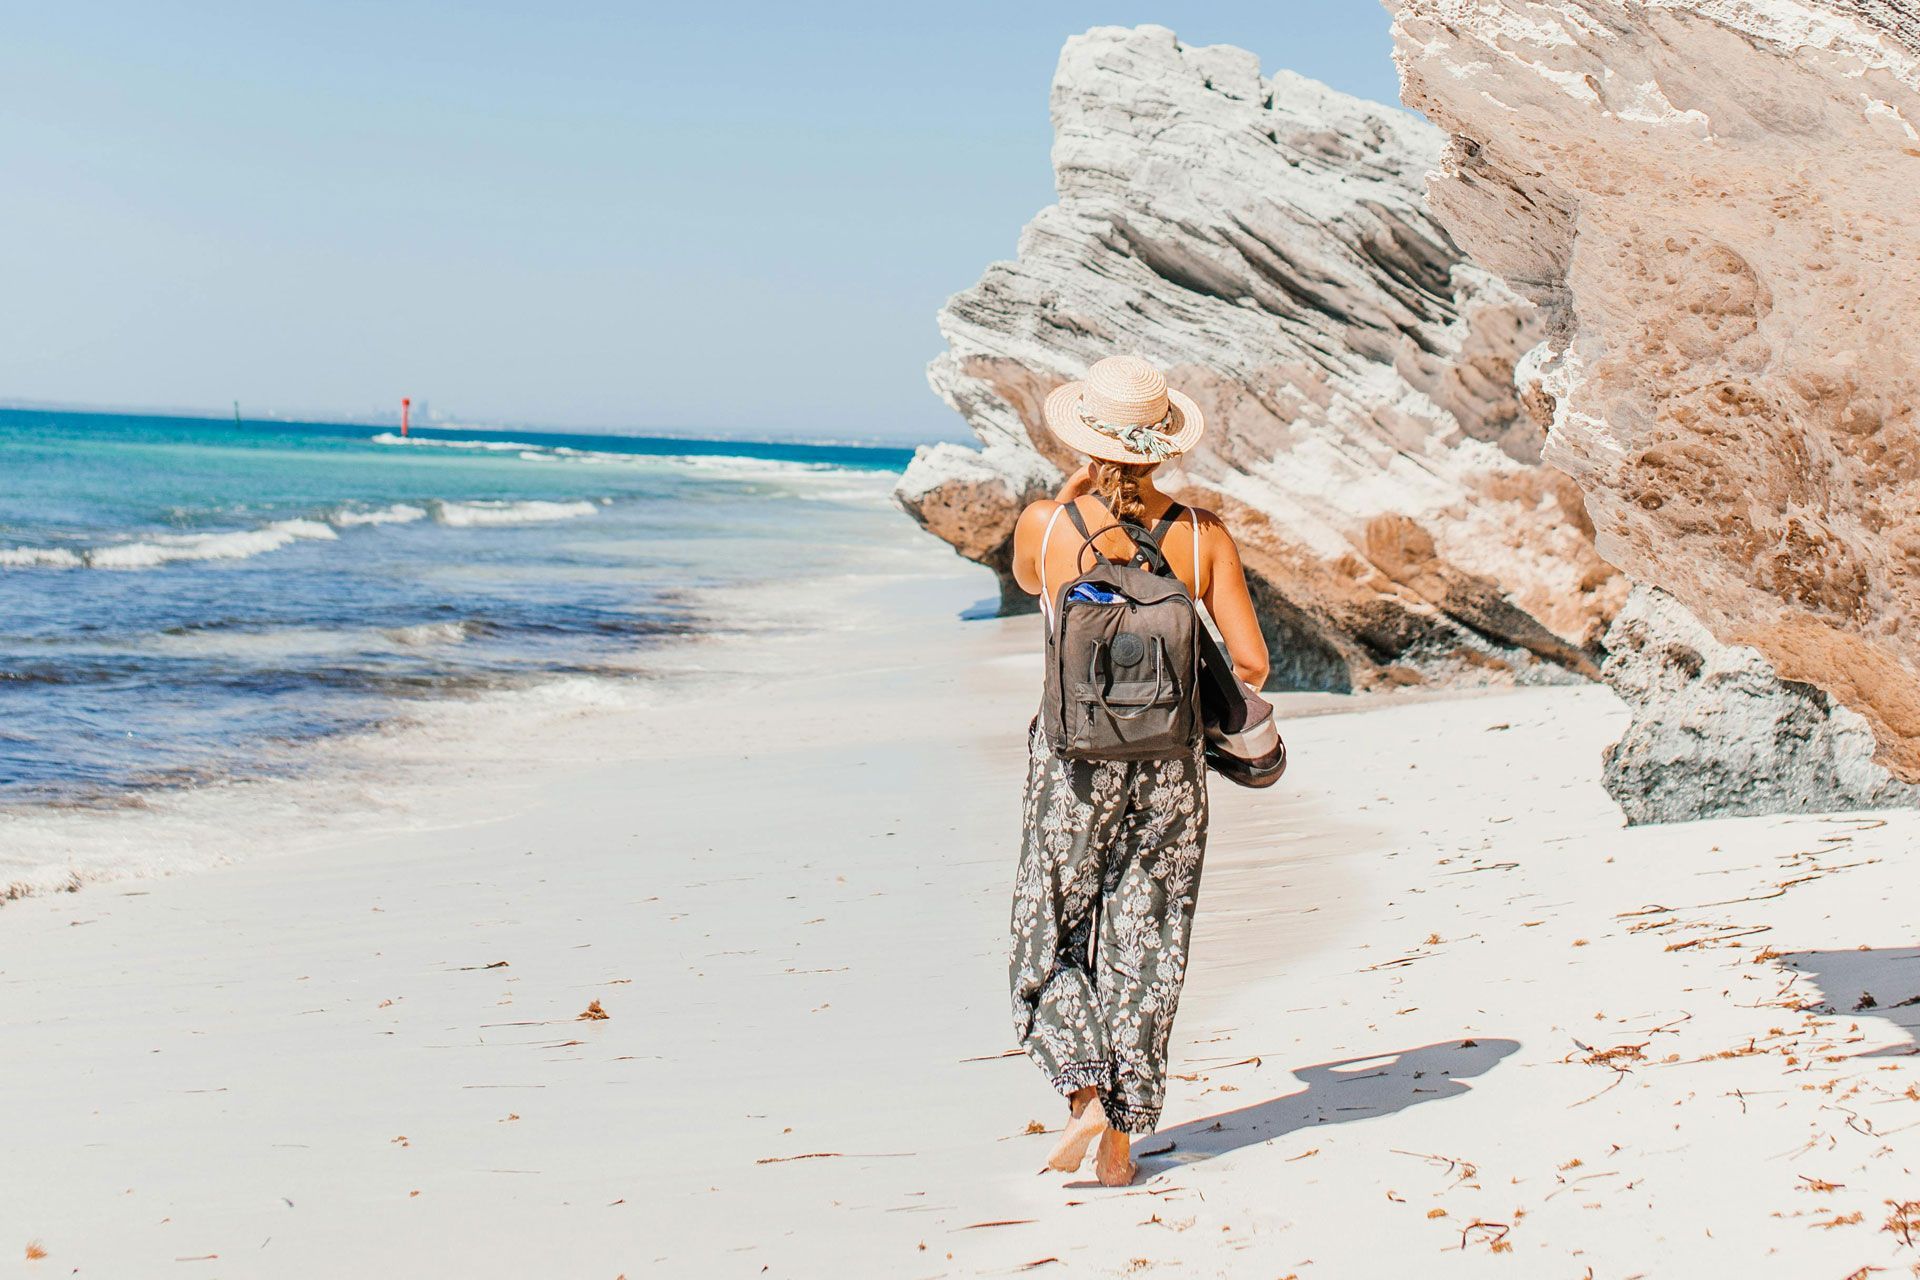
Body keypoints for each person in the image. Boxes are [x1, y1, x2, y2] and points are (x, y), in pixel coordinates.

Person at [1006, 355, 1270, 1186]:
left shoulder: (1044, 527)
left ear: (1085, 439)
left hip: (1070, 762)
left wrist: (1079, 492)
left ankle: (1082, 1091)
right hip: (1172, 769)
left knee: (1047, 936)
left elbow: (1030, 589)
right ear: (1163, 448)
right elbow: (1253, 665)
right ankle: (1122, 1143)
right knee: (1147, 943)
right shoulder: (1202, 534)